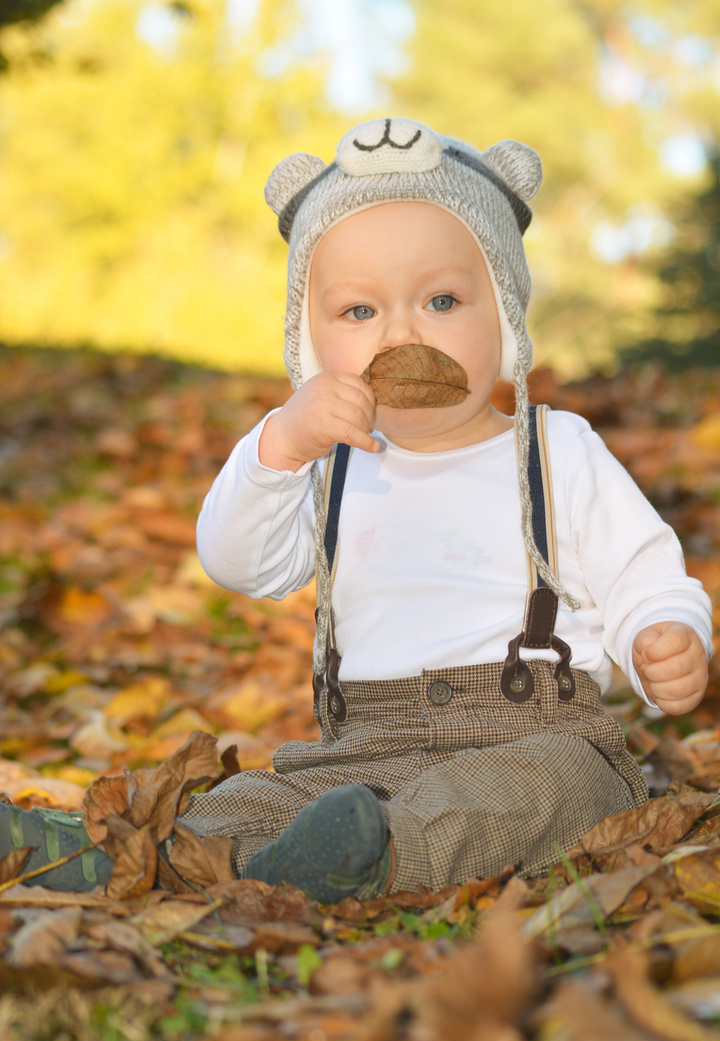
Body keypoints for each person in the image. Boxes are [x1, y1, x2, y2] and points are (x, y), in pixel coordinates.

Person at [1, 117, 711, 899]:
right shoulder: (330, 465)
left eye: (441, 299)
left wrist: (661, 634)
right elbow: (238, 562)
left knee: (550, 790)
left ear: (503, 316)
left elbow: (643, 573)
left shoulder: (556, 450)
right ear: (311, 346)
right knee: (255, 797)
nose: (402, 332)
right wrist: (278, 448)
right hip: (359, 751)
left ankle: (376, 858)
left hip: (533, 735)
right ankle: (127, 854)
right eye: (358, 312)